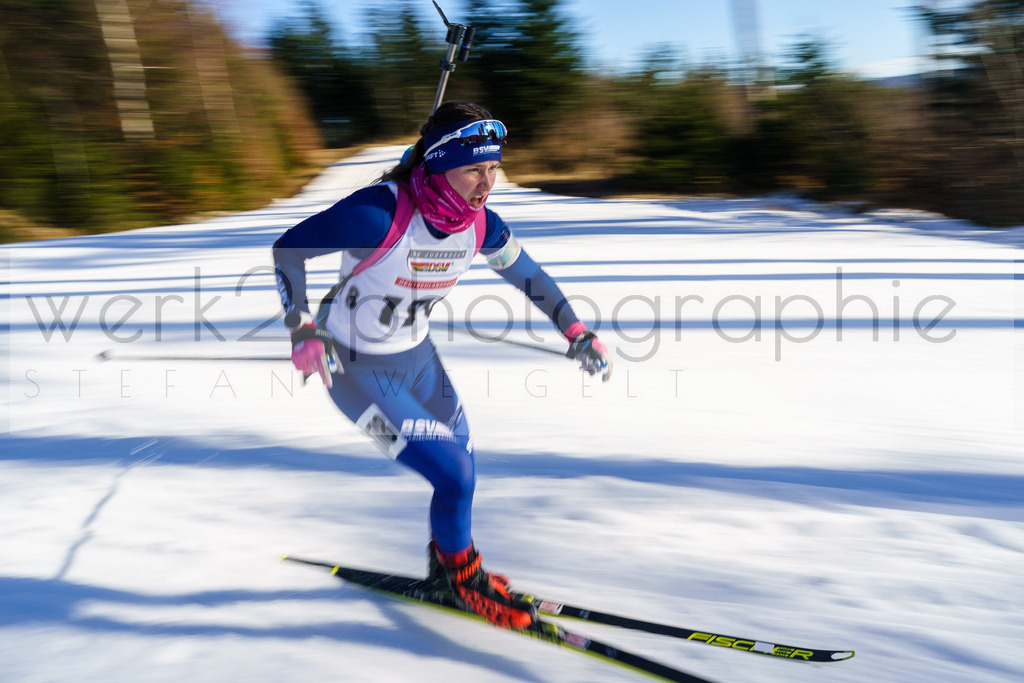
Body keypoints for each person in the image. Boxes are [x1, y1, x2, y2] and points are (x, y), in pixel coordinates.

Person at [272, 102, 612, 630]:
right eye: (474, 168)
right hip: (354, 370)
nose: (487, 183)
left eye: (494, 168)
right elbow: (288, 250)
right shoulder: (377, 213)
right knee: (452, 475)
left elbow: (533, 279)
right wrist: (301, 328)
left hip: (419, 360)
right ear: (438, 165)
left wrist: (576, 331)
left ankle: (453, 570)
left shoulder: (480, 226)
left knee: (464, 468)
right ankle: (459, 581)